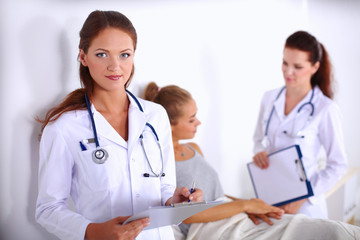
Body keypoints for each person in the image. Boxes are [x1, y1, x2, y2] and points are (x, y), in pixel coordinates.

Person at [35, 10, 202, 240]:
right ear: (83, 57)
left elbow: (163, 188)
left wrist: (177, 201)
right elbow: (48, 209)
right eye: (102, 54)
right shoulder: (64, 128)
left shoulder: (155, 116)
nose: (115, 67)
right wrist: (93, 231)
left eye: (124, 55)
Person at [144, 82, 360, 240]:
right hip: (208, 229)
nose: (198, 122)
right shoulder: (162, 162)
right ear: (169, 125)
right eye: (191, 119)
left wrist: (250, 206)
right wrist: (245, 204)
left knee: (326, 229)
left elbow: (215, 194)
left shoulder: (194, 148)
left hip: (231, 212)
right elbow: (186, 215)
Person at [252, 30, 348, 219]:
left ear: (314, 67)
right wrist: (259, 153)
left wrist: (304, 196)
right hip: (269, 198)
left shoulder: (325, 109)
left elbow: (338, 165)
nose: (288, 72)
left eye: (297, 66)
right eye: (285, 63)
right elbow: (257, 139)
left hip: (305, 208)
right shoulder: (269, 98)